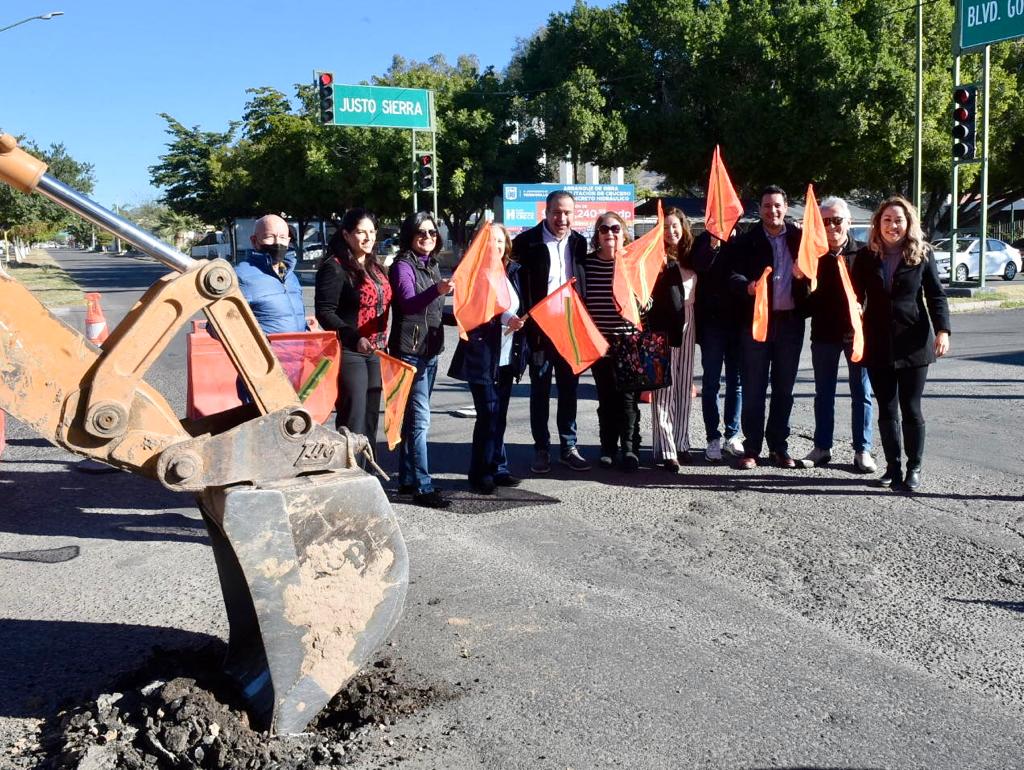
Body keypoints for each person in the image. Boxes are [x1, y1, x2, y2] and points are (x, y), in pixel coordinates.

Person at [852, 196, 950, 491]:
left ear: (908, 224)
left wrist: (943, 330)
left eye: (898, 220)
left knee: (911, 408)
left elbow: (936, 296)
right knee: (887, 409)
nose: (892, 226)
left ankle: (913, 468)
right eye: (887, 220)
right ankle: (892, 467)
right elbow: (855, 294)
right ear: (878, 224)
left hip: (913, 343)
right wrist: (855, 306)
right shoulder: (866, 256)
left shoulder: (922, 254)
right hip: (878, 342)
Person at [726, 185, 808, 469]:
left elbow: (818, 276)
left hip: (790, 323)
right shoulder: (746, 242)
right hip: (756, 324)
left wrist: (804, 278)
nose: (772, 210)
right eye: (766, 205)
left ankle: (779, 447)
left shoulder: (801, 239)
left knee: (784, 390)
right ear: (759, 210)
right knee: (754, 388)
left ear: (786, 207)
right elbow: (731, 275)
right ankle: (752, 448)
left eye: (777, 205)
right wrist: (747, 287)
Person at [513, 190, 591, 474]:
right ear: (546, 213)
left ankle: (569, 446)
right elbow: (514, 284)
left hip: (570, 328)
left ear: (574, 214)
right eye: (556, 212)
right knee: (540, 390)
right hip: (539, 331)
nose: (562, 218)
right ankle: (541, 448)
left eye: (567, 212)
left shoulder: (580, 243)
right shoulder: (526, 243)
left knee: (570, 390)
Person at [796, 197, 876, 472]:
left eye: (837, 220)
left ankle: (862, 450)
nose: (831, 227)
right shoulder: (813, 258)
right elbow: (804, 306)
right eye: (825, 221)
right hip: (824, 335)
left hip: (856, 336)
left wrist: (862, 310)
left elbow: (875, 297)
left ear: (849, 222)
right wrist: (800, 279)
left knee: (862, 393)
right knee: (824, 394)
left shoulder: (865, 255)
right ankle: (821, 447)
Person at [447, 223, 527, 494]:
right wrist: (506, 319)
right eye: (491, 241)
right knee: (488, 415)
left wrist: (515, 320)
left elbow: (509, 307)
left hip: (507, 355)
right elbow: (482, 312)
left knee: (499, 416)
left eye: (501, 241)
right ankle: (479, 473)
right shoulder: (476, 275)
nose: (496, 246)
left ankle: (497, 467)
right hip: (482, 355)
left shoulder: (511, 272)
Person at [388, 211, 455, 509]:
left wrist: (465, 315)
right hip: (410, 351)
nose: (427, 237)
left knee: (413, 419)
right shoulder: (403, 265)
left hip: (430, 350)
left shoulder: (432, 265)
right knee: (420, 420)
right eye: (421, 233)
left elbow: (436, 312)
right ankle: (423, 486)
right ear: (409, 235)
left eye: (431, 233)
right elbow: (408, 303)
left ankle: (406, 478)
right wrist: (437, 290)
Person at [314, 209, 391, 456]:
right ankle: (350, 473)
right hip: (350, 353)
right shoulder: (334, 267)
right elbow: (325, 312)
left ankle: (368, 474)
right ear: (347, 235)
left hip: (377, 352)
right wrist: (354, 337)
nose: (368, 238)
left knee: (370, 420)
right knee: (354, 419)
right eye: (361, 232)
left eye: (371, 232)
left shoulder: (376, 267)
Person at [581, 212, 644, 471]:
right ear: (597, 235)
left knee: (628, 400)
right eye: (604, 229)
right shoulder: (585, 264)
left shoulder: (633, 263)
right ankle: (607, 447)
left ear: (624, 233)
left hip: (628, 343)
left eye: (615, 229)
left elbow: (646, 295)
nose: (610, 234)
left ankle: (630, 448)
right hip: (600, 344)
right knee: (606, 399)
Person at [649, 207, 697, 471]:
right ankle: (667, 448)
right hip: (664, 325)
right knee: (664, 390)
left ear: (683, 226)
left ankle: (682, 442)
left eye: (675, 226)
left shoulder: (692, 255)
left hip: (690, 321)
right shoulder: (654, 256)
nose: (671, 231)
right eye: (665, 227)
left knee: (683, 387)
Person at [692, 227, 744, 462]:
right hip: (712, 325)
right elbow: (699, 266)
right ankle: (712, 437)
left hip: (737, 323)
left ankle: (732, 436)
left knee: (737, 383)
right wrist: (713, 245)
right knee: (711, 383)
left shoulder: (744, 239)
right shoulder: (703, 239)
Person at [236, 214, 306, 334]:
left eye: (282, 237)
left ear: (288, 241)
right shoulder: (240, 276)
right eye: (269, 236)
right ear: (254, 241)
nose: (277, 242)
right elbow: (218, 327)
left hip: (298, 351)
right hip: (263, 352)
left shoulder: (290, 276)